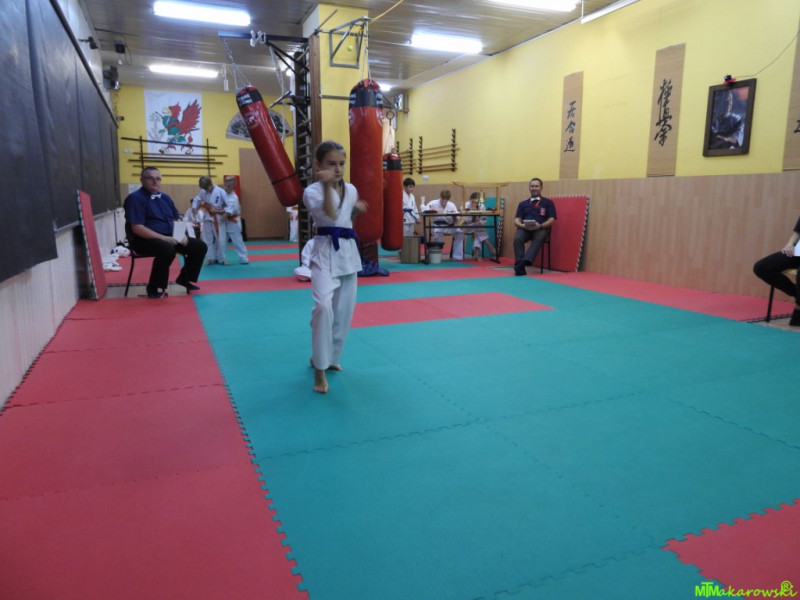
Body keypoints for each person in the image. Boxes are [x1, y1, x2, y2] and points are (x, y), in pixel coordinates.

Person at [303, 141, 367, 394]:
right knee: (323, 307)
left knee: (343, 312)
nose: (338, 169)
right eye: (331, 164)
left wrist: (356, 210)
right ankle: (319, 368)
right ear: (318, 165)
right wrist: (328, 185)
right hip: (324, 252)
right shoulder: (312, 191)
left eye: (341, 163)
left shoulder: (351, 189)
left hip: (348, 253)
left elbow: (344, 217)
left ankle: (329, 359)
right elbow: (330, 215)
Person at [123, 166, 208, 299]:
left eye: (158, 179)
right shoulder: (135, 198)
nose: (155, 182)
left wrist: (181, 235)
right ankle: (154, 287)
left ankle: (184, 279)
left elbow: (176, 218)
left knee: (199, 246)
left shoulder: (165, 198)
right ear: (142, 180)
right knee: (167, 249)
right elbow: (137, 228)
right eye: (150, 178)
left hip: (169, 237)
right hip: (143, 240)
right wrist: (163, 238)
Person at [753, 217, 800, 325]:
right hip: (798, 250)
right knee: (761, 267)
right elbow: (797, 232)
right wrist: (790, 244)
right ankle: (797, 295)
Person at [513, 177, 556, 276]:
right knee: (517, 238)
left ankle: (522, 263)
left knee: (539, 237)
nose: (534, 188)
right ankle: (520, 265)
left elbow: (552, 219)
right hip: (525, 228)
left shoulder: (548, 203)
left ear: (541, 188)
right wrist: (521, 225)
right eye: (532, 186)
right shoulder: (522, 204)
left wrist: (540, 225)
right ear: (529, 188)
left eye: (536, 186)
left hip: (541, 228)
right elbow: (517, 219)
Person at [191, 175, 227, 265]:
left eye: (206, 188)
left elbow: (228, 205)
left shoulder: (221, 191)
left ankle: (222, 258)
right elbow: (196, 200)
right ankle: (210, 258)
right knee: (207, 239)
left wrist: (222, 212)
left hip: (218, 217)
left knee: (221, 238)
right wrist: (194, 208)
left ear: (210, 184)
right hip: (207, 216)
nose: (205, 190)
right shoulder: (203, 192)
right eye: (204, 188)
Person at [427, 190, 464, 261]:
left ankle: (457, 256)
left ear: (448, 199)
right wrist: (433, 211)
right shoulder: (433, 203)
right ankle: (437, 256)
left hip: (448, 226)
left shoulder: (451, 205)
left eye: (446, 199)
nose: (444, 200)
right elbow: (425, 211)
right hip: (437, 225)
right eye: (442, 198)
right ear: (440, 197)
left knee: (459, 232)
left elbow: (456, 221)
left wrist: (454, 217)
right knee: (437, 232)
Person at [221, 175, 249, 264]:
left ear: (234, 186)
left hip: (233, 222)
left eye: (229, 186)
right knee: (221, 241)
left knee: (237, 241)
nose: (227, 188)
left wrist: (222, 215)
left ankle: (243, 257)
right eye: (226, 185)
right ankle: (221, 258)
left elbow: (228, 212)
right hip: (224, 222)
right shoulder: (222, 194)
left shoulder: (234, 198)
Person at [464, 191, 496, 261]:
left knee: (478, 229)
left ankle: (476, 256)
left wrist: (477, 219)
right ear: (469, 200)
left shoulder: (482, 206)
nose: (474, 204)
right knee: (478, 228)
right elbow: (465, 221)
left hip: (478, 227)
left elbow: (483, 221)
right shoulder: (465, 206)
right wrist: (473, 216)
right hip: (467, 227)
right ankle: (488, 244)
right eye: (472, 202)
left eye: (476, 203)